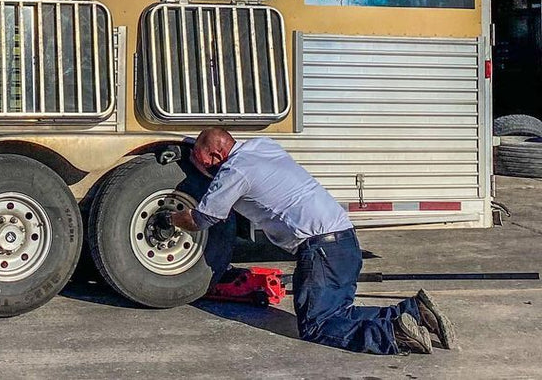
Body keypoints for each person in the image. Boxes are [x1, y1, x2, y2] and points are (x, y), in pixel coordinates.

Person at [162, 127, 456, 355]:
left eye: (198, 159)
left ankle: (392, 336)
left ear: (215, 156)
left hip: (320, 249)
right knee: (338, 314)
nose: (195, 164)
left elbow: (204, 218)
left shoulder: (234, 171)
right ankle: (414, 312)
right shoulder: (262, 147)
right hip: (345, 240)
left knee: (318, 326)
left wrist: (171, 218)